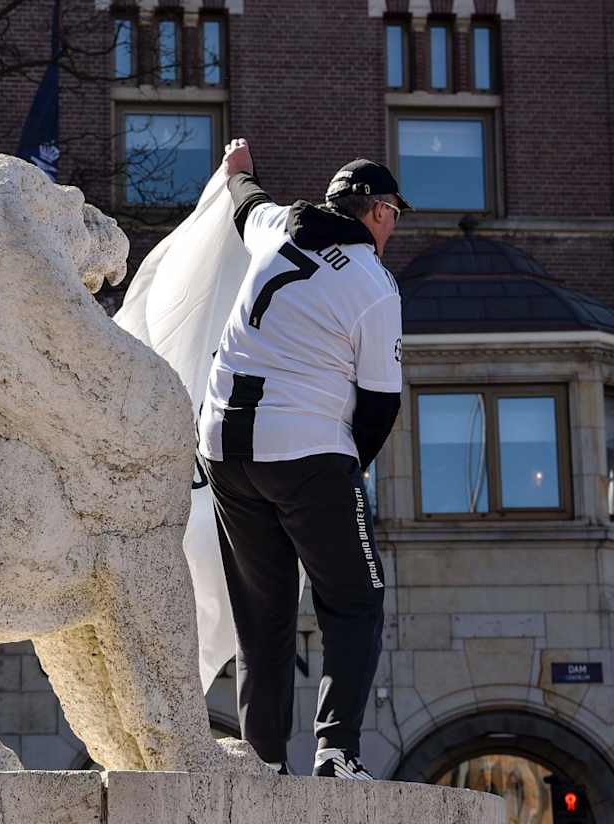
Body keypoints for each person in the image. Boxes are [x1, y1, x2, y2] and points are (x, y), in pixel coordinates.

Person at [198, 138, 408, 779]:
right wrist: (349, 470)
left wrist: (238, 171)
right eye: (395, 214)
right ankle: (336, 750)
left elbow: (244, 204)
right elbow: (378, 405)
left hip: (224, 448)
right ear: (378, 212)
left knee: (262, 610)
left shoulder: (280, 227)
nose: (394, 227)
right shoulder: (374, 285)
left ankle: (263, 761)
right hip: (307, 451)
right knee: (355, 598)